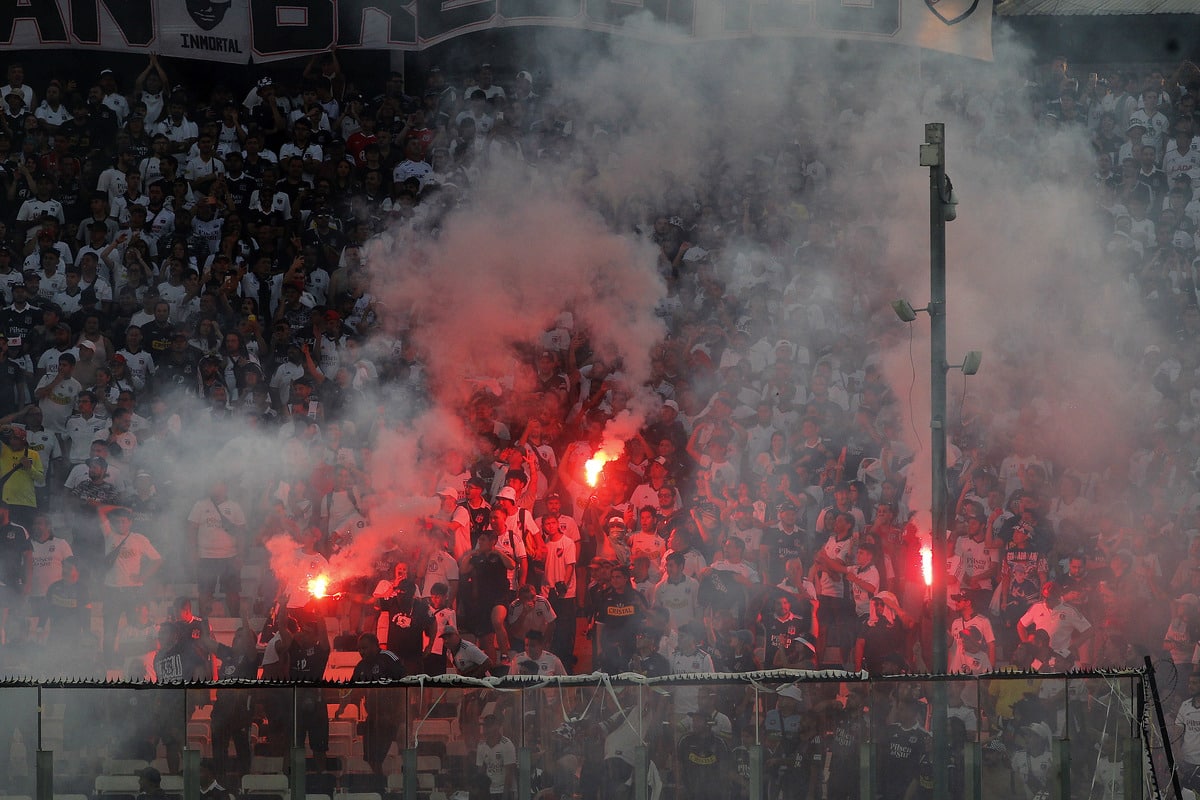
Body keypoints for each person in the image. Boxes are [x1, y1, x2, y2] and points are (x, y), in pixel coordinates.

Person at [99, 505, 161, 663]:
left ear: (130, 522)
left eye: (124, 521)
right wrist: (121, 507)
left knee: (135, 626)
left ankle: (134, 658)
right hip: (112, 590)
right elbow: (101, 510)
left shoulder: (139, 539)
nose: (121, 525)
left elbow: (157, 559)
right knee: (109, 628)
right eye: (118, 522)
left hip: (133, 591)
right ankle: (109, 661)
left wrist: (142, 576)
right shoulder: (109, 535)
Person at [336, 633, 404, 774]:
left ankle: (397, 782)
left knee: (389, 754)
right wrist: (341, 708)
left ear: (375, 645)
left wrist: (400, 712)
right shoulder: (361, 666)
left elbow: (405, 682)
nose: (362, 652)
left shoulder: (388, 658)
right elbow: (352, 690)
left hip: (392, 717)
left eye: (365, 648)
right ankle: (379, 782)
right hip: (373, 717)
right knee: (371, 758)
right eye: (359, 649)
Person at [476, 714, 516, 800]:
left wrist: (505, 796)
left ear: (497, 726)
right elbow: (481, 771)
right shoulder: (481, 745)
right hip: (489, 790)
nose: (487, 729)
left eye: (490, 726)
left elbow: (509, 774)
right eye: (485, 726)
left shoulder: (507, 745)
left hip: (504, 790)